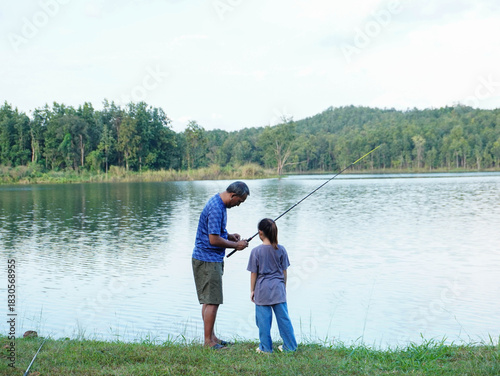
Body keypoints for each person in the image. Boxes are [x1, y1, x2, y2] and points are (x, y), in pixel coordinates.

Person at [192, 181, 250, 350]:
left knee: (208, 300)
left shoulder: (218, 203)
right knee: (212, 301)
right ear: (233, 196)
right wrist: (236, 246)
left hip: (207, 259)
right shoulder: (218, 208)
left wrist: (229, 235)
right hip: (208, 260)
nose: (238, 205)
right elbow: (213, 240)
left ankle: (211, 337)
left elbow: (215, 232)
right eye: (239, 201)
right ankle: (208, 342)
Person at [247, 218, 298, 353]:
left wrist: (252, 290)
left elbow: (253, 274)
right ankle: (290, 346)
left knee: (263, 322)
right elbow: (284, 271)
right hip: (278, 289)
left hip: (262, 289)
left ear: (260, 233)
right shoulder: (281, 250)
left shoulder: (256, 251)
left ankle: (265, 348)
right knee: (284, 320)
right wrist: (283, 287)